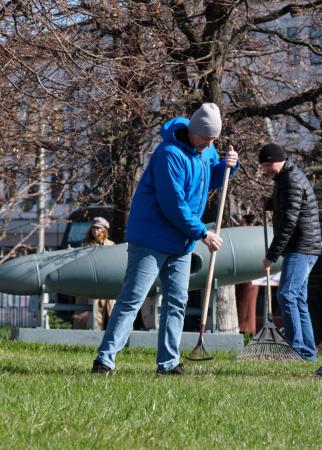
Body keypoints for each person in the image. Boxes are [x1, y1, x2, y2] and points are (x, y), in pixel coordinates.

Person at [91, 103, 239, 375]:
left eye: (214, 140)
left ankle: (168, 364)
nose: (209, 144)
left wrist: (229, 166)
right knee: (133, 298)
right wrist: (203, 233)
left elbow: (210, 180)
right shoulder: (169, 154)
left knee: (176, 303)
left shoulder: (206, 151)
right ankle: (104, 360)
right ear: (193, 130)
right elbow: (173, 205)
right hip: (152, 237)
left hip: (181, 242)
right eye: (206, 138)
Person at [259, 143, 321, 362]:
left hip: (301, 247)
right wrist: (270, 203)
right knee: (298, 299)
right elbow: (290, 207)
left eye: (268, 165)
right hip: (305, 247)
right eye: (263, 166)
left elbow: (289, 222)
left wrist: (271, 255)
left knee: (286, 295)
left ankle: (295, 350)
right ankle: (307, 354)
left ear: (281, 160)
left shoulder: (290, 180)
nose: (266, 170)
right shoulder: (285, 178)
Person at [73, 217, 116, 330]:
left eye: (98, 228)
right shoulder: (85, 244)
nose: (95, 230)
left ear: (104, 230)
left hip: (107, 286)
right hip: (90, 285)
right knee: (89, 318)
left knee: (110, 317)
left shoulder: (111, 245)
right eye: (93, 227)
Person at [235, 214, 261, 334]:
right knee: (244, 307)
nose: (239, 226)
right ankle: (246, 331)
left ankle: (245, 332)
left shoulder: (253, 240)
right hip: (244, 278)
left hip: (248, 279)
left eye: (242, 224)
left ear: (250, 225)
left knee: (246, 308)